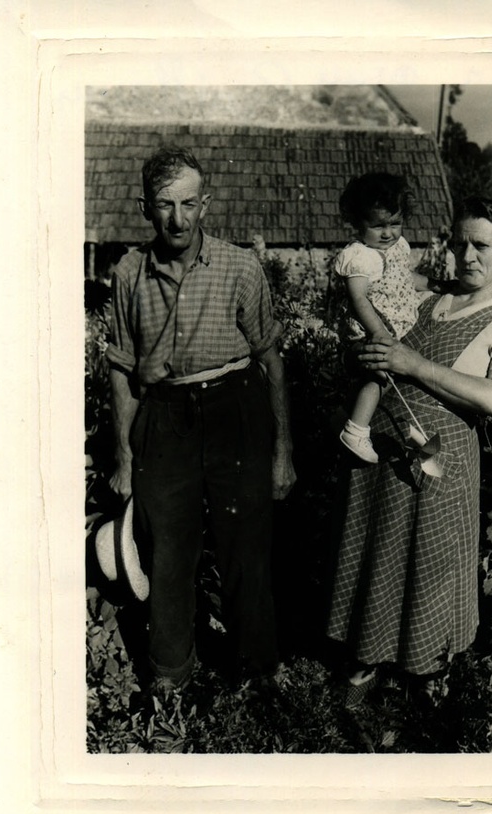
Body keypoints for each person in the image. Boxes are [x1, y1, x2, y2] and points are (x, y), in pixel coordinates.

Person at [327, 195, 492, 705]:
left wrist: (412, 364)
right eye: (460, 242)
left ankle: (425, 670)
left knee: (430, 562)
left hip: (440, 460)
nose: (467, 256)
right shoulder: (427, 297)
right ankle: (367, 661)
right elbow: (372, 320)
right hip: (382, 445)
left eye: (482, 245)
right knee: (378, 549)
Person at [106, 146, 296, 695]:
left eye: (190, 204)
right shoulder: (127, 274)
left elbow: (271, 361)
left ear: (206, 203)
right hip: (163, 417)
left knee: (246, 548)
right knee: (167, 552)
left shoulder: (240, 266)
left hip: (236, 408)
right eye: (165, 205)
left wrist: (283, 451)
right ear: (145, 207)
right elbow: (121, 370)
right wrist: (124, 456)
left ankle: (259, 671)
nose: (179, 219)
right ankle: (171, 677)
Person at [335, 172, 436, 463]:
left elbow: (405, 278)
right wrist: (378, 333)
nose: (388, 233)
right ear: (357, 224)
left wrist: (433, 283)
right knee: (378, 374)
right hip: (370, 325)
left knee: (389, 376)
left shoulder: (397, 246)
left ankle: (344, 416)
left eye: (394, 223)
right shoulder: (360, 256)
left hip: (391, 323)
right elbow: (358, 298)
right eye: (378, 226)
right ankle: (355, 430)